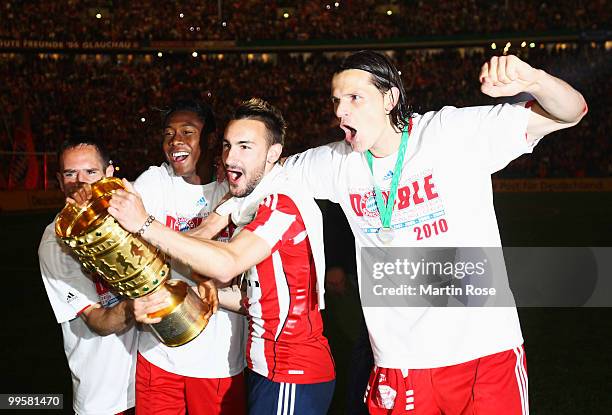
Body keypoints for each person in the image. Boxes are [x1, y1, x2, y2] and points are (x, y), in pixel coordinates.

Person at [279, 51, 587, 414]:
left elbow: (570, 111)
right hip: (400, 364)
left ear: (390, 98)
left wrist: (534, 79)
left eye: (354, 98)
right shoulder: (336, 162)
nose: (340, 112)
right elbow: (268, 173)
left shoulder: (448, 133)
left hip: (483, 355)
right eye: (336, 101)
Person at [107, 98, 336, 415]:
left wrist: (145, 224)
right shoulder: (245, 198)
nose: (231, 157)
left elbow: (227, 263)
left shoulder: (281, 203)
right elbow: (246, 285)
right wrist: (203, 288)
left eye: (245, 147)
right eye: (229, 147)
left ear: (273, 154)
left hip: (290, 368)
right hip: (265, 367)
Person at [130, 98, 247, 415]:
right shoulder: (156, 182)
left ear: (210, 139)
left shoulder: (235, 188)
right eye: (168, 133)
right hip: (158, 354)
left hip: (218, 361)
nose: (175, 141)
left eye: (187, 131)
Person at [39, 137, 138, 415]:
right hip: (105, 400)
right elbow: (99, 321)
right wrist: (142, 301)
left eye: (90, 173)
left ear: (109, 173)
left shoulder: (129, 215)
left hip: (150, 383)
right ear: (60, 180)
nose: (80, 182)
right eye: (71, 174)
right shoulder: (55, 242)